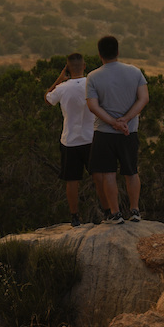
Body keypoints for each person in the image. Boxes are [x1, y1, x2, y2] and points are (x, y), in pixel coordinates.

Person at [86, 35, 150, 223]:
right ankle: (135, 210)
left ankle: (115, 213)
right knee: (131, 171)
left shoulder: (93, 76)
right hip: (129, 131)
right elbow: (144, 98)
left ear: (100, 54)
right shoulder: (135, 72)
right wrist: (126, 119)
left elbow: (93, 106)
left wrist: (113, 122)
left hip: (104, 133)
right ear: (118, 51)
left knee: (108, 173)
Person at [46, 52, 98, 227]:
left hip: (70, 141)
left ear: (67, 68)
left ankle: (75, 216)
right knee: (100, 176)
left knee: (72, 180)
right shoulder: (91, 84)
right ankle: (109, 211)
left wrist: (59, 79)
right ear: (84, 66)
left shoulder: (62, 88)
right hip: (91, 138)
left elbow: (48, 99)